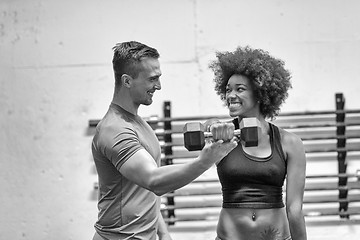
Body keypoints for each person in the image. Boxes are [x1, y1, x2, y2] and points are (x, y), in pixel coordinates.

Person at [91, 41, 238, 240]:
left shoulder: (137, 123)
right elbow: (154, 181)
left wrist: (162, 232)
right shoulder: (115, 130)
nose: (158, 86)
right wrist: (206, 160)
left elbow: (142, 190)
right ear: (127, 81)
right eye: (153, 79)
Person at [206, 46, 307, 240]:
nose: (230, 96)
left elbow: (294, 210)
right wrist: (214, 125)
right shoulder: (223, 136)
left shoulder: (290, 143)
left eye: (240, 89)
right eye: (227, 90)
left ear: (260, 93)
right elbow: (209, 125)